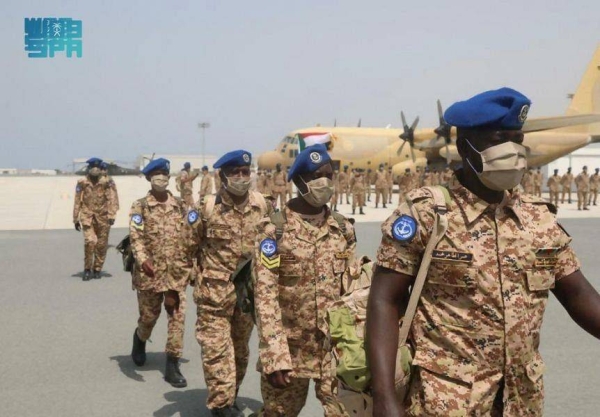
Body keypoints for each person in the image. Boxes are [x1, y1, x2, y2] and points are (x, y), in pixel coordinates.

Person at [366, 88, 600, 416]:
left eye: (516, 139)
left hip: (521, 400)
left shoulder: (537, 217)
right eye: (498, 139)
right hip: (447, 399)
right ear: (465, 147)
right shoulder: (427, 213)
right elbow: (384, 300)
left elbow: (578, 293)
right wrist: (384, 396)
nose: (512, 150)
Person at [253, 143, 356, 416]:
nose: (325, 182)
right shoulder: (273, 231)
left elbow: (353, 291)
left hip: (334, 352)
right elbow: (264, 297)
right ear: (299, 181)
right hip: (290, 352)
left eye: (329, 175)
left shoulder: (343, 229)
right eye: (315, 177)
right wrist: (275, 356)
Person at [192, 150, 272, 416]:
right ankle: (221, 405)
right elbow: (185, 247)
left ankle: (230, 395)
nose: (241, 177)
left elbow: (273, 246)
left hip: (246, 295)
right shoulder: (207, 208)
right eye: (234, 172)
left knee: (239, 353)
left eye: (245, 172)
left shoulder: (262, 206)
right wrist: (175, 288)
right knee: (216, 351)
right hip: (213, 295)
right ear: (222, 176)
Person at [128, 158, 196, 388]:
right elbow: (136, 236)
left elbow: (192, 231)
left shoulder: (179, 204)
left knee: (177, 318)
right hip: (149, 273)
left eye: (164, 174)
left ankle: (172, 364)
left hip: (176, 274)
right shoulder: (140, 206)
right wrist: (142, 258)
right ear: (149, 178)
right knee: (149, 317)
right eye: (156, 174)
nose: (161, 178)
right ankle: (140, 338)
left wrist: (193, 266)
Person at [73, 157, 118, 281]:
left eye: (97, 167)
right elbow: (77, 200)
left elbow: (112, 198)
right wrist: (75, 218)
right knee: (90, 241)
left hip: (103, 217)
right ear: (89, 168)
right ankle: (87, 269)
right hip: (87, 216)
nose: (95, 169)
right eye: (92, 166)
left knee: (101, 245)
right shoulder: (82, 182)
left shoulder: (106, 182)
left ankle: (97, 268)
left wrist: (112, 215)